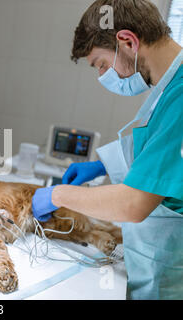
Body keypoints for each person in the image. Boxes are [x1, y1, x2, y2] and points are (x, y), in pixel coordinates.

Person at [31, 0, 182, 299]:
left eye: (101, 64)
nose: (102, 76)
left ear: (127, 42)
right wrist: (101, 165)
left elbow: (133, 204)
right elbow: (158, 151)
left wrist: (56, 195)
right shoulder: (169, 88)